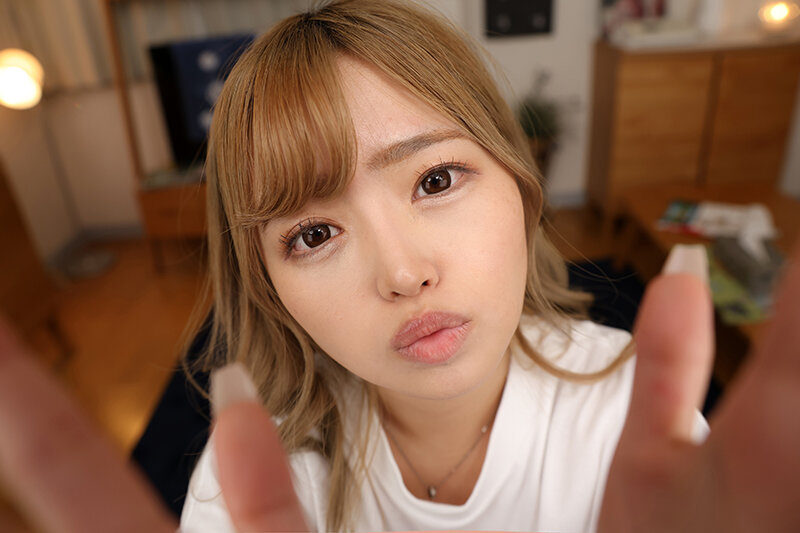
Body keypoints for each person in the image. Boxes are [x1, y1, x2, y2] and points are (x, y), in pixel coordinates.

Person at [0, 1, 799, 532]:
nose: (404, 272)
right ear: (272, 293)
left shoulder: (638, 421)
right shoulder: (250, 482)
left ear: (522, 188)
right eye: (314, 234)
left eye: (436, 179)